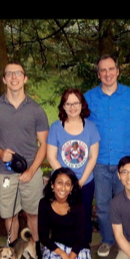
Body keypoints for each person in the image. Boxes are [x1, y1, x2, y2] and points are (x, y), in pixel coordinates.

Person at [0, 61, 49, 259]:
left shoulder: (36, 110)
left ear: (25, 78)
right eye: (9, 74)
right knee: (10, 216)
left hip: (31, 172)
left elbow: (43, 145)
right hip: (5, 173)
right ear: (4, 79)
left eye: (18, 73)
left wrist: (32, 170)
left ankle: (37, 251)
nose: (14, 77)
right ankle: (13, 252)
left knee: (34, 215)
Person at [85, 55, 130, 258]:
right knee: (102, 205)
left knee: (127, 203)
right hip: (99, 161)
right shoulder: (89, 97)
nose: (107, 74)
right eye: (103, 70)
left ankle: (127, 240)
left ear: (118, 71)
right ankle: (108, 240)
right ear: (98, 74)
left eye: (111, 69)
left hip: (125, 162)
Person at [47, 88, 100, 244]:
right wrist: (66, 182)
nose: (72, 107)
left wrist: (80, 182)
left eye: (75, 103)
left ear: (82, 105)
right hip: (61, 183)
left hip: (85, 181)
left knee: (83, 215)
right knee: (62, 215)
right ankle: (62, 247)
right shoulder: (56, 127)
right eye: (68, 103)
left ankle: (83, 247)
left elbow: (93, 156)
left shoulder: (91, 127)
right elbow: (51, 156)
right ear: (63, 106)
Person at [39, 168, 92, 259]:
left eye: (67, 184)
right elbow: (44, 237)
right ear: (52, 185)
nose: (63, 187)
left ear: (72, 187)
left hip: (78, 248)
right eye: (59, 183)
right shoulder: (44, 204)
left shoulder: (78, 206)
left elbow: (81, 238)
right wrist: (63, 256)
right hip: (58, 246)